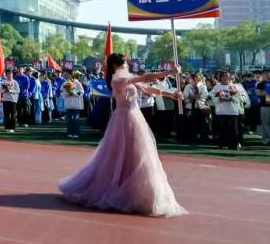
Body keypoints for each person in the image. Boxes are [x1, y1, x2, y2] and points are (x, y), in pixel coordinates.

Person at [59, 54, 187, 217]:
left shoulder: (127, 77)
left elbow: (147, 88)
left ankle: (135, 193)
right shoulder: (117, 79)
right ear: (116, 65)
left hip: (135, 118)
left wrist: (171, 95)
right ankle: (116, 190)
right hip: (123, 119)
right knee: (119, 155)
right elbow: (145, 78)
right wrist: (168, 72)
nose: (127, 65)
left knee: (136, 156)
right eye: (125, 63)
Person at [208, 70, 249, 150]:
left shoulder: (235, 86)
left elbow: (241, 97)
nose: (225, 78)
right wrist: (218, 98)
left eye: (227, 76)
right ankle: (222, 144)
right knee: (222, 129)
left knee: (233, 129)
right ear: (221, 77)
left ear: (230, 77)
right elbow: (210, 97)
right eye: (224, 76)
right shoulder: (217, 87)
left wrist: (233, 98)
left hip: (232, 111)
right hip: (221, 111)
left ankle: (233, 145)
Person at [61, 72, 85, 138]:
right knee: (68, 119)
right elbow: (62, 93)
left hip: (76, 104)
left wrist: (74, 93)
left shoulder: (77, 83)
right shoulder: (65, 83)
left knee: (75, 119)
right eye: (66, 74)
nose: (67, 75)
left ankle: (76, 133)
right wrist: (68, 94)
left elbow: (82, 92)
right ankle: (69, 133)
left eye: (69, 74)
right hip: (68, 104)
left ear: (72, 75)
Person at [0, 69, 20, 133]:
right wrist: (5, 90)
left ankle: (12, 128)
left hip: (13, 100)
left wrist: (11, 91)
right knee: (6, 114)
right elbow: (0, 90)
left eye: (10, 74)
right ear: (6, 74)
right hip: (5, 100)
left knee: (13, 114)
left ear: (12, 74)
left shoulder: (15, 82)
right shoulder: (3, 82)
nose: (9, 75)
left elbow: (18, 91)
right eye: (8, 74)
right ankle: (7, 127)